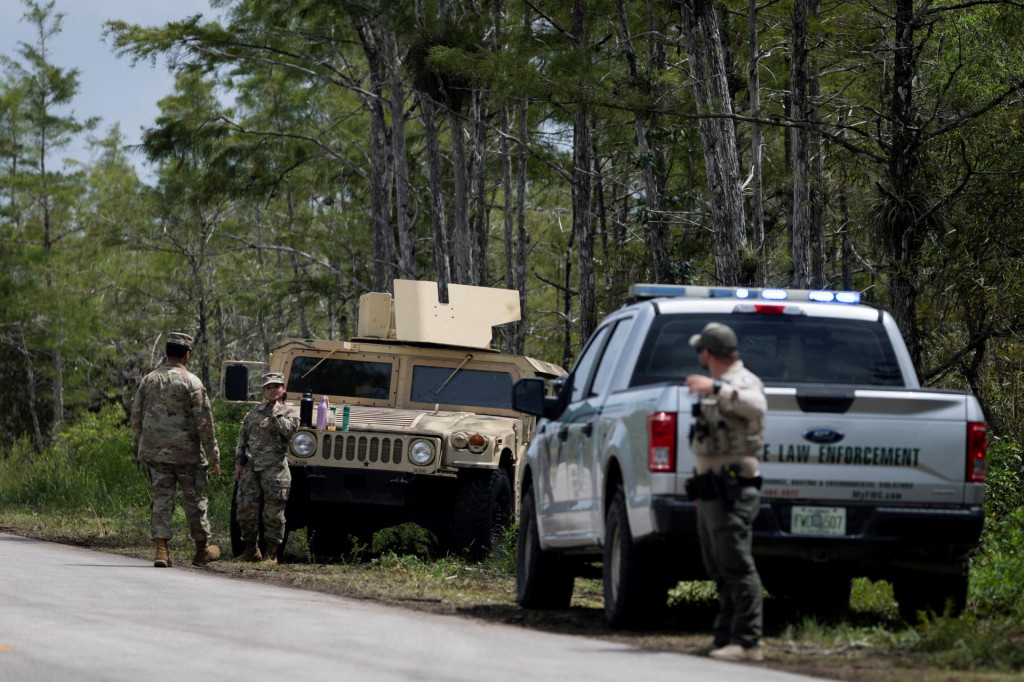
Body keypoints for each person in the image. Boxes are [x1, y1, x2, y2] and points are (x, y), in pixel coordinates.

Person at [684, 322, 767, 662]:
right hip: (711, 489)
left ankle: (748, 642)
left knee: (736, 563)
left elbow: (757, 406)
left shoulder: (741, 381)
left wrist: (717, 387)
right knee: (718, 565)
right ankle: (724, 637)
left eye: (700, 351)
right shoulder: (717, 386)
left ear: (707, 353)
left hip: (734, 489)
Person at [131, 332, 222, 568]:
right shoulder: (192, 382)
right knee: (195, 501)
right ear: (187, 355)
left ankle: (161, 550)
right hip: (187, 454)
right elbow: (205, 422)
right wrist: (214, 457)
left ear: (166, 353)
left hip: (156, 453)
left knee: (161, 500)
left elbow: (136, 417)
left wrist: (145, 445)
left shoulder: (148, 380)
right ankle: (202, 550)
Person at [233, 372, 300, 564]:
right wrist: (239, 463)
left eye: (276, 387)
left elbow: (288, 430)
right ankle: (250, 550)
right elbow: (242, 439)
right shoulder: (254, 412)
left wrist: (276, 412)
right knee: (245, 510)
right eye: (268, 387)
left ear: (283, 389)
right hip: (251, 468)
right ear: (264, 390)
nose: (272, 390)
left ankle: (271, 554)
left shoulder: (289, 412)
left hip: (275, 469)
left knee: (273, 514)